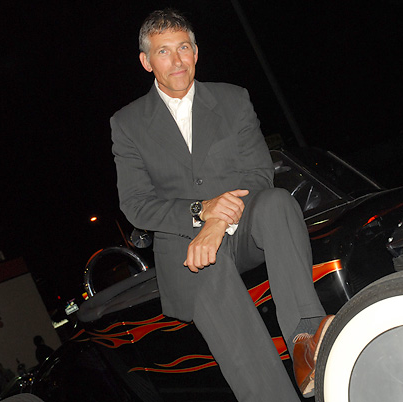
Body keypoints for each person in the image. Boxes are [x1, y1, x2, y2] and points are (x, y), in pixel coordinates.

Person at [110, 9, 332, 401]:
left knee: (276, 202)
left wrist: (217, 222)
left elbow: (258, 173)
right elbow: (136, 204)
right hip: (186, 249)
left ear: (196, 52)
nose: (177, 60)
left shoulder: (233, 99)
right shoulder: (127, 123)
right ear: (146, 62)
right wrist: (200, 213)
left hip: (243, 229)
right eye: (164, 52)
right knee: (215, 289)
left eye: (184, 48)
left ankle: (305, 340)